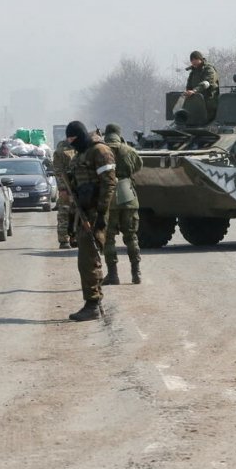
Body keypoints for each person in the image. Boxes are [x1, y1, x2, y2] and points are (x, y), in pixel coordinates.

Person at [64, 121, 117, 321]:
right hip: (83, 211)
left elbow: (109, 183)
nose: (71, 143)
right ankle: (92, 301)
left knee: (89, 258)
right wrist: (71, 221)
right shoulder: (80, 154)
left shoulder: (100, 151)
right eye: (68, 140)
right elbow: (75, 189)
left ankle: (93, 304)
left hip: (95, 212)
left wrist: (102, 213)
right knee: (85, 260)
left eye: (73, 139)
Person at [101, 123, 143, 285]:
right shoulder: (129, 150)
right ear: (119, 134)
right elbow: (138, 165)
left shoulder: (101, 150)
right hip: (128, 195)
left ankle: (113, 275)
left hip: (107, 196)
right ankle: (136, 273)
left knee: (108, 238)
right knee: (131, 236)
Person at [52, 139, 77, 249]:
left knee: (78, 213)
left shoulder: (84, 148)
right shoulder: (61, 150)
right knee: (64, 213)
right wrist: (62, 188)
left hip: (81, 186)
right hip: (68, 187)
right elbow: (58, 171)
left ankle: (74, 238)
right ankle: (64, 239)